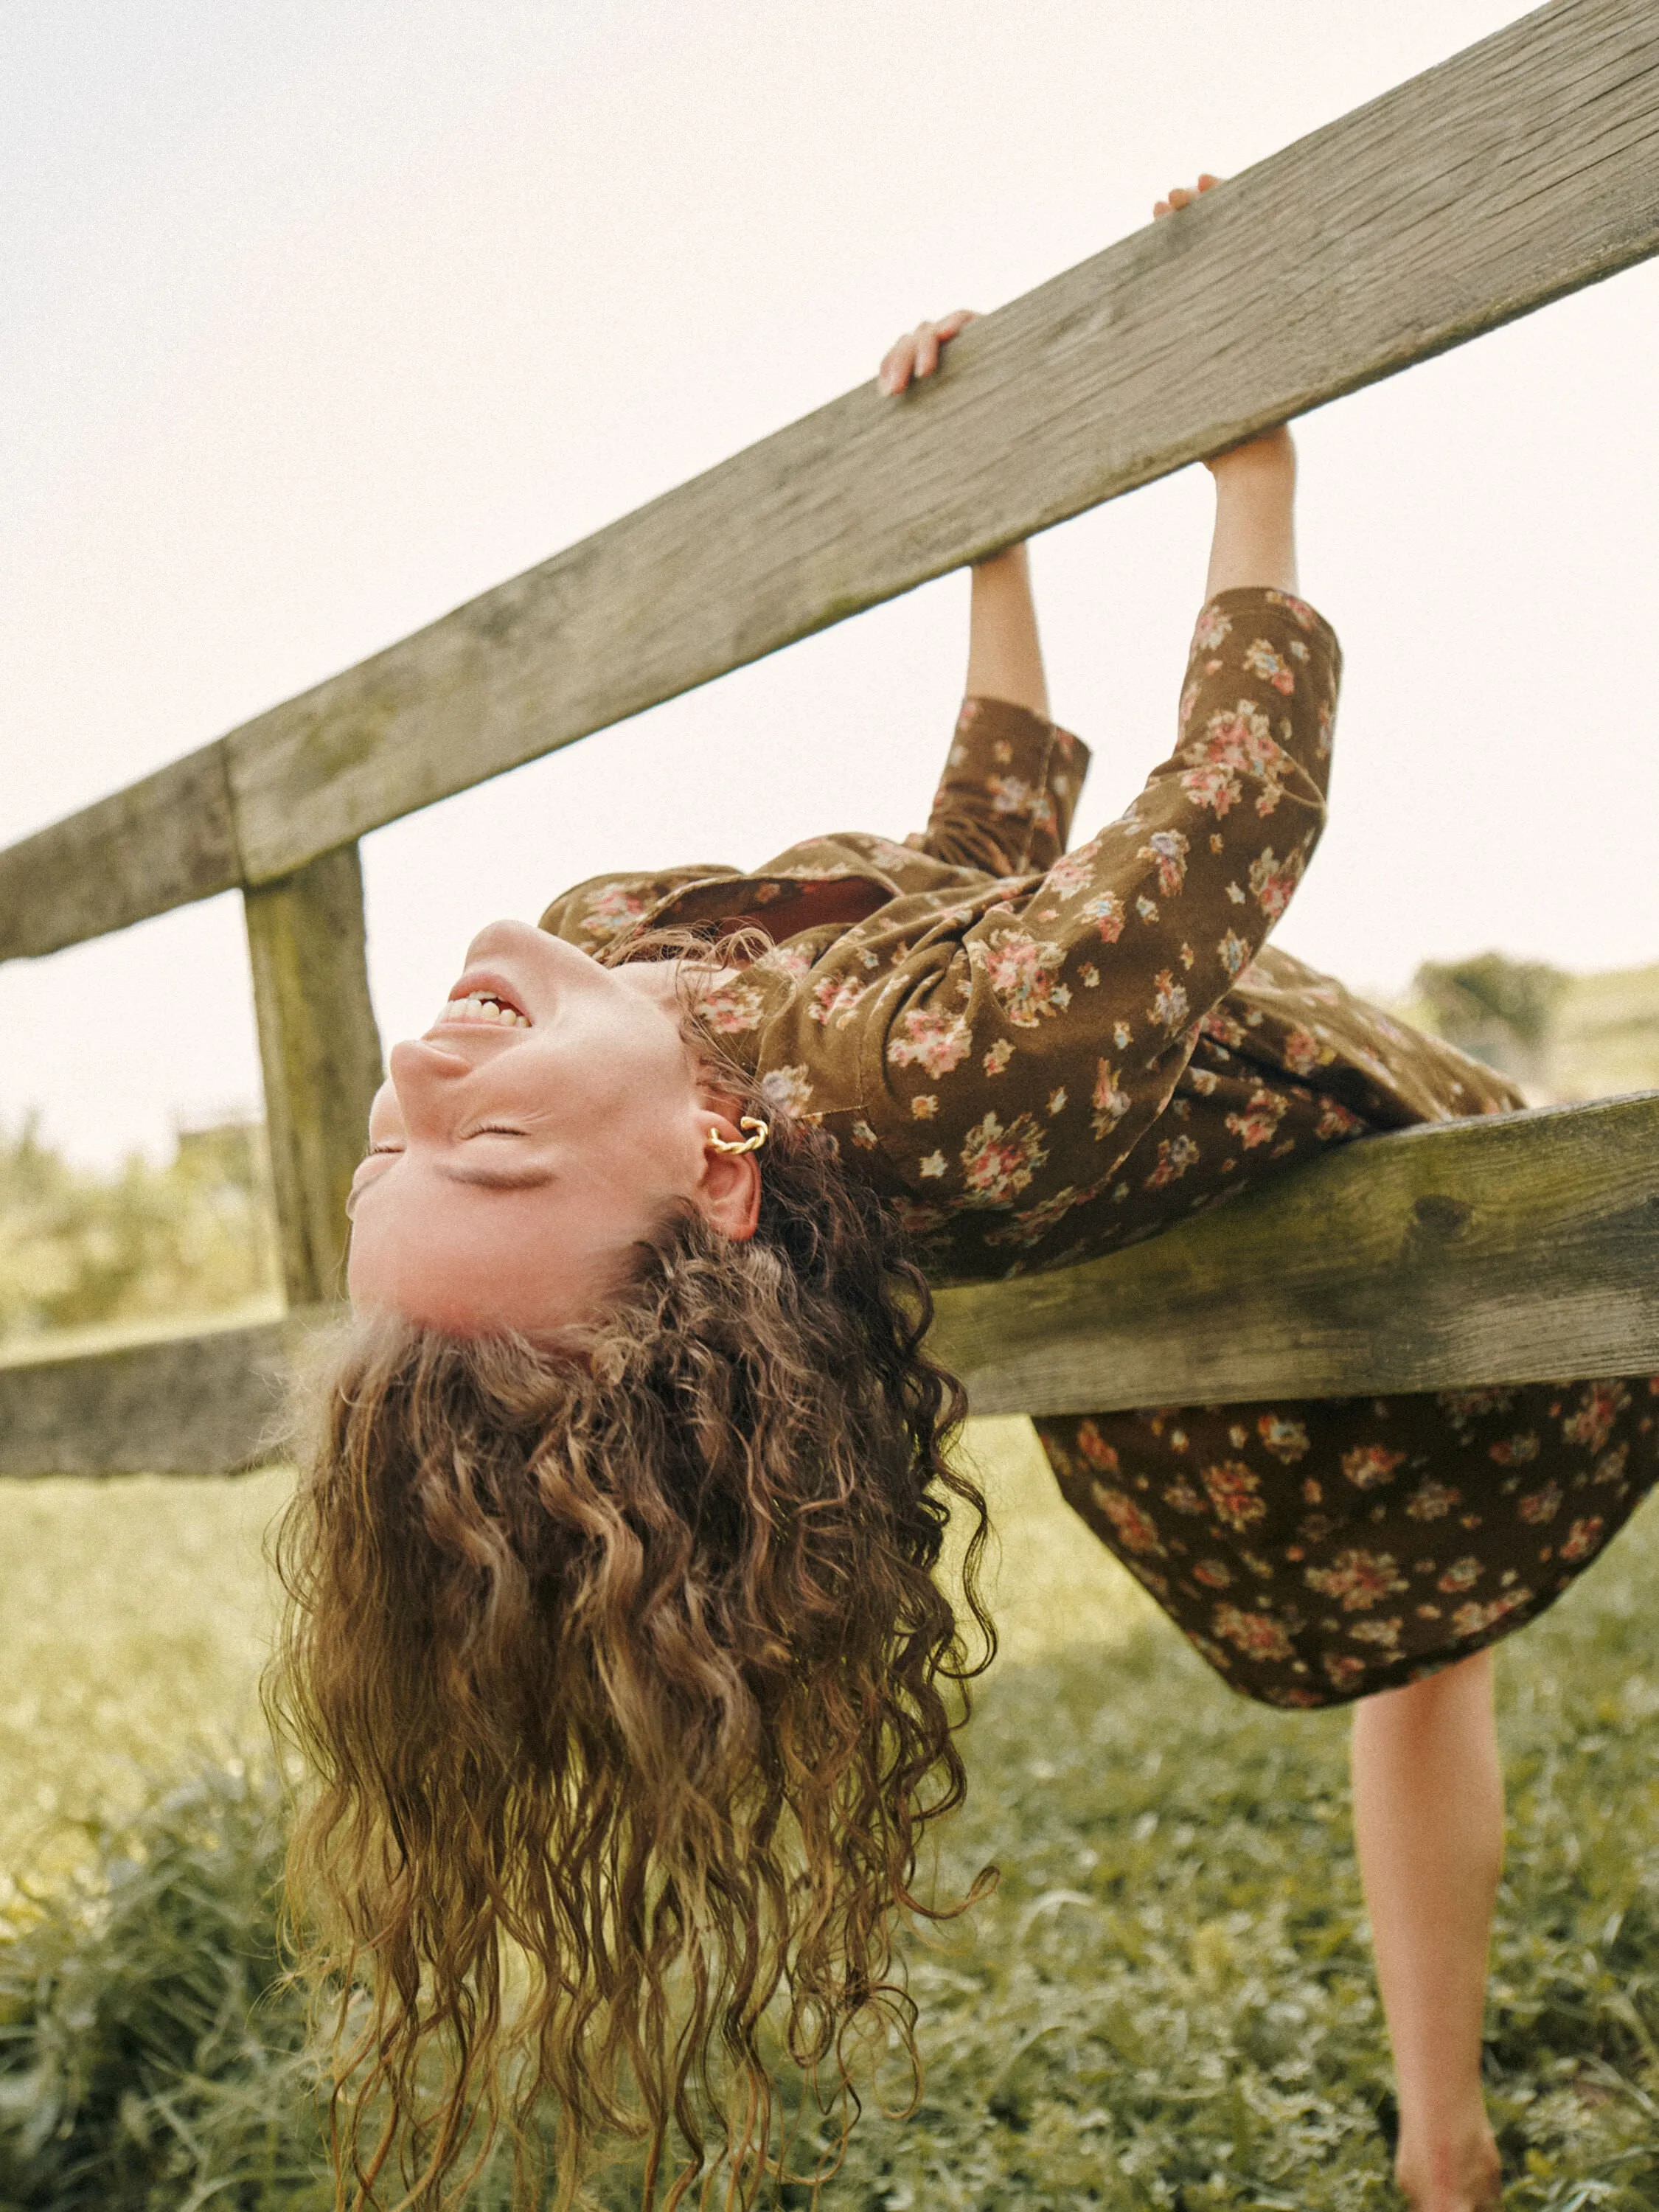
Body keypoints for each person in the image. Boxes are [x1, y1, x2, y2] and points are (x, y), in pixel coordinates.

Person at [274, 178, 1658, 2212]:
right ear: (716, 1180)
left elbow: (971, 864)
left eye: (387, 1149)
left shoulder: (649, 967)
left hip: (1175, 1345)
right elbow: (1229, 809)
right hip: (1334, 1289)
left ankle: (1441, 2140)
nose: (406, 1070)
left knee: (1420, 1672)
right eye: (484, 1148)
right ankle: (1445, 2135)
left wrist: (992, 512)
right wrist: (1243, 447)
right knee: (1426, 1647)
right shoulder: (943, 1081)